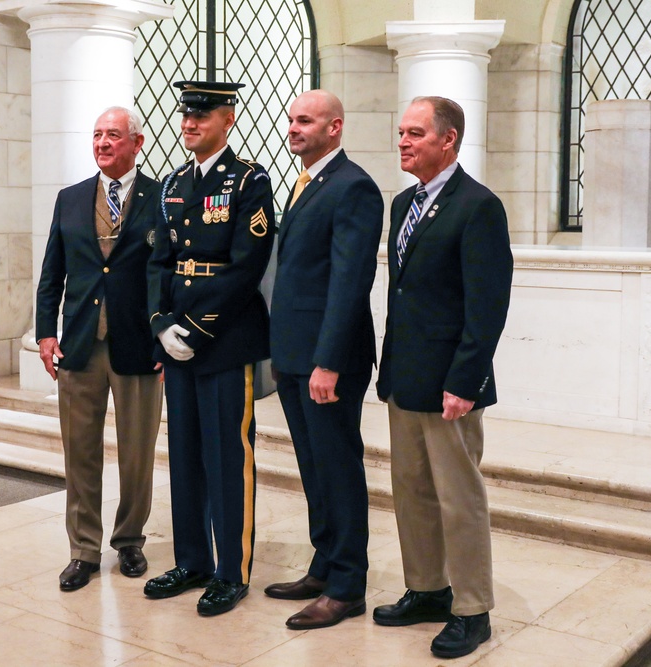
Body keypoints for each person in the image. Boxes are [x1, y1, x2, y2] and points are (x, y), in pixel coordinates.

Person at [373, 96, 513, 659]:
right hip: (405, 376)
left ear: (448, 139)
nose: (403, 142)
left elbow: (488, 305)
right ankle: (427, 588)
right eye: (401, 131)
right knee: (411, 491)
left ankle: (472, 608)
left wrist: (466, 381)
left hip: (451, 383)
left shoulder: (478, 206)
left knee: (460, 498)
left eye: (415, 133)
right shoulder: (404, 201)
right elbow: (404, 294)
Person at [143, 80, 275, 617]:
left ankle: (230, 571)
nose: (190, 123)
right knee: (187, 457)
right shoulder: (174, 183)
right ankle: (193, 560)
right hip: (176, 340)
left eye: (203, 114)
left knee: (226, 458)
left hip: (223, 340)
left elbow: (247, 267)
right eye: (186, 114)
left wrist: (194, 329)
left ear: (229, 118)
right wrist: (160, 325)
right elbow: (158, 263)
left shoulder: (248, 180)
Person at [265, 90, 382, 630]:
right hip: (294, 354)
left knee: (337, 468)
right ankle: (322, 564)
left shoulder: (352, 186)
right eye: (291, 120)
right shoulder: (307, 182)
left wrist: (328, 362)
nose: (294, 128)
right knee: (313, 468)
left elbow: (349, 282)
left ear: (335, 127)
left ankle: (346, 585)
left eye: (305, 121)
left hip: (327, 361)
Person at [35, 106, 164, 592]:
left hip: (139, 345)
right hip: (81, 345)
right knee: (80, 453)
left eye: (113, 135)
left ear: (137, 142)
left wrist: (165, 336)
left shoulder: (162, 196)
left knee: (136, 454)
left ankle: (129, 539)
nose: (103, 142)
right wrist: (47, 331)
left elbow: (168, 271)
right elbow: (53, 272)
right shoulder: (70, 200)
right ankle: (83, 550)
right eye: (97, 135)